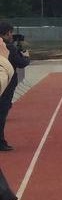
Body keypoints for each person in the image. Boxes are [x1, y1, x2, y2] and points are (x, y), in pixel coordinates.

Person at [0, 24, 30, 152]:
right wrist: (26, 53)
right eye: (10, 33)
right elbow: (21, 63)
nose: (12, 36)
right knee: (1, 114)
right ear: (6, 34)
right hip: (5, 86)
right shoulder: (8, 48)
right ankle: (1, 142)